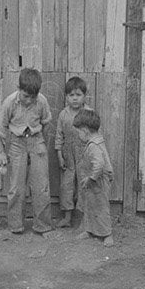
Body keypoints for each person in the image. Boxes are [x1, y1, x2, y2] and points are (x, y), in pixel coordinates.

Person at [0, 67, 53, 235]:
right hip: (16, 143)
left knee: (41, 186)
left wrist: (42, 145)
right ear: (19, 88)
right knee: (16, 187)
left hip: (36, 140)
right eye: (26, 96)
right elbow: (0, 129)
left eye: (32, 97)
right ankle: (15, 225)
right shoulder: (9, 103)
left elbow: (47, 122)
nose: (29, 100)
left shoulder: (41, 101)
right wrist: (1, 152)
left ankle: (42, 225)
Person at [73, 108, 114, 246]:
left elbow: (99, 165)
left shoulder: (93, 146)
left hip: (98, 181)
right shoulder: (95, 141)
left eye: (78, 131)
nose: (78, 134)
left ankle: (107, 234)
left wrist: (91, 178)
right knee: (90, 205)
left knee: (101, 207)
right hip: (93, 181)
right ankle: (90, 230)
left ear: (85, 131)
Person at [54, 75, 88, 228]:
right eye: (71, 95)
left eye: (78, 95)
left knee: (83, 184)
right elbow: (59, 136)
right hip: (68, 155)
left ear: (84, 96)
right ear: (66, 97)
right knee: (67, 185)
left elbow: (95, 134)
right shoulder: (63, 114)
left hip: (84, 154)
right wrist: (59, 155)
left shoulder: (88, 113)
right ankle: (67, 217)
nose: (75, 99)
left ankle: (83, 218)